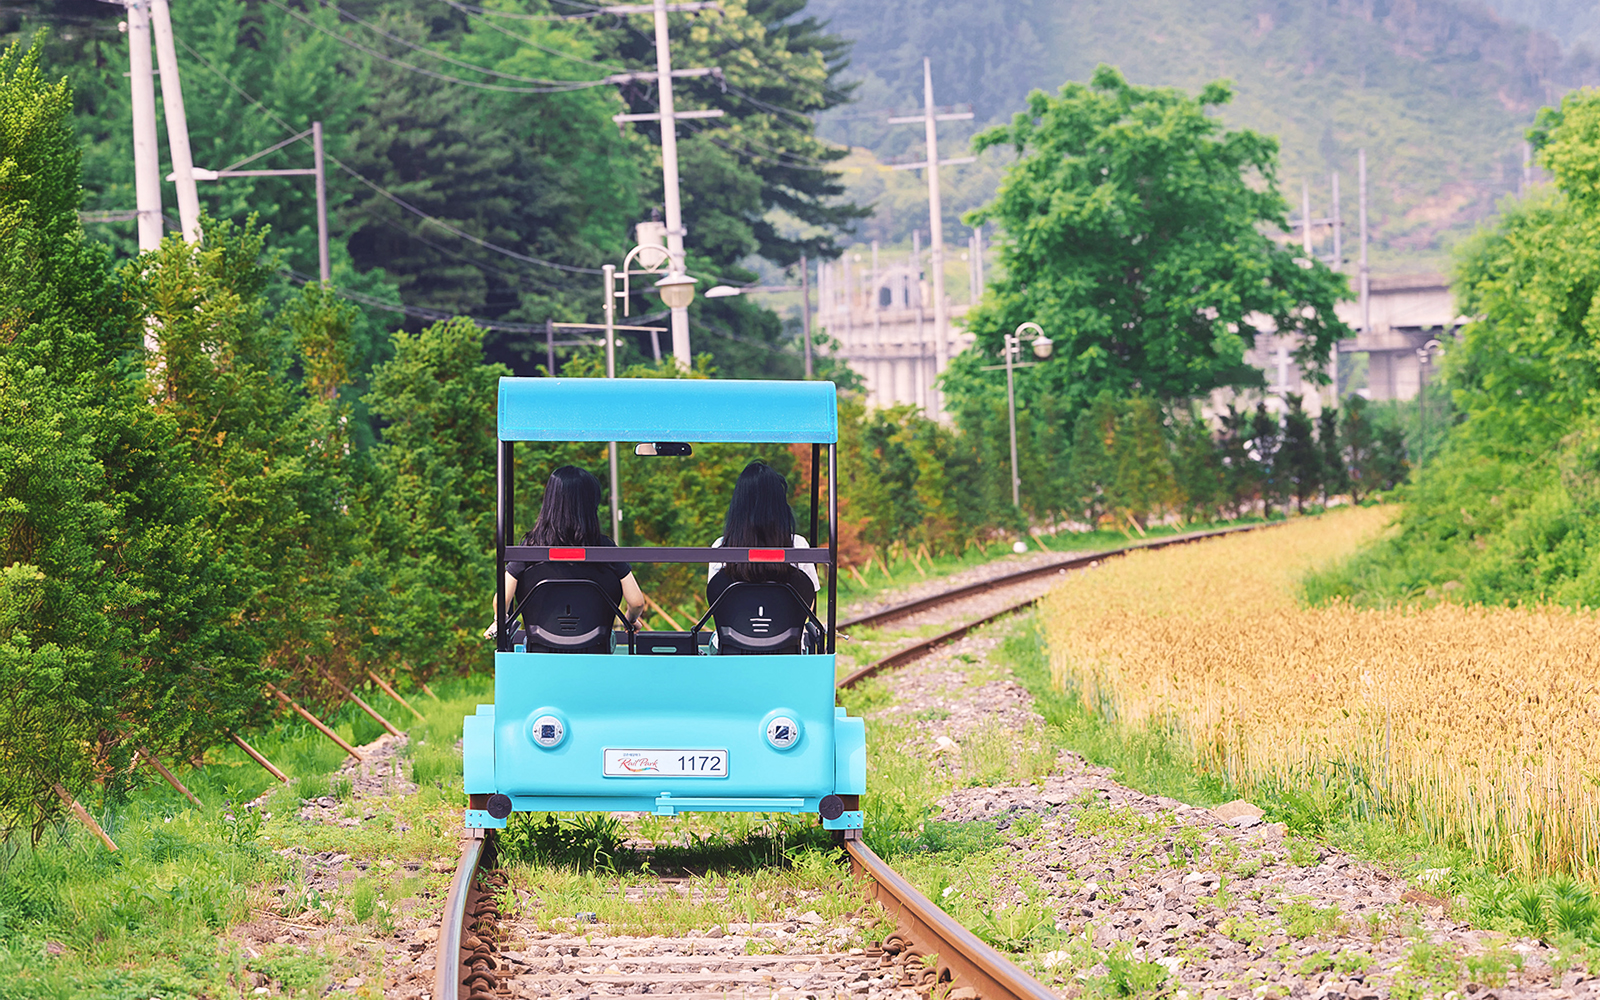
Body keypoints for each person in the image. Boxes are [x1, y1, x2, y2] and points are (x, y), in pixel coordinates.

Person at [485, 465, 646, 640]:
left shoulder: (531, 546)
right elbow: (636, 602)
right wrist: (630, 620)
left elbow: (501, 600)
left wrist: (499, 620)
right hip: (596, 648)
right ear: (591, 505)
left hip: (541, 648)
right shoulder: (604, 548)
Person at [706, 461, 819, 610]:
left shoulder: (722, 547)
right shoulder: (798, 544)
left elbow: (716, 604)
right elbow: (808, 603)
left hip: (732, 634)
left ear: (737, 507)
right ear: (780, 506)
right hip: (788, 633)